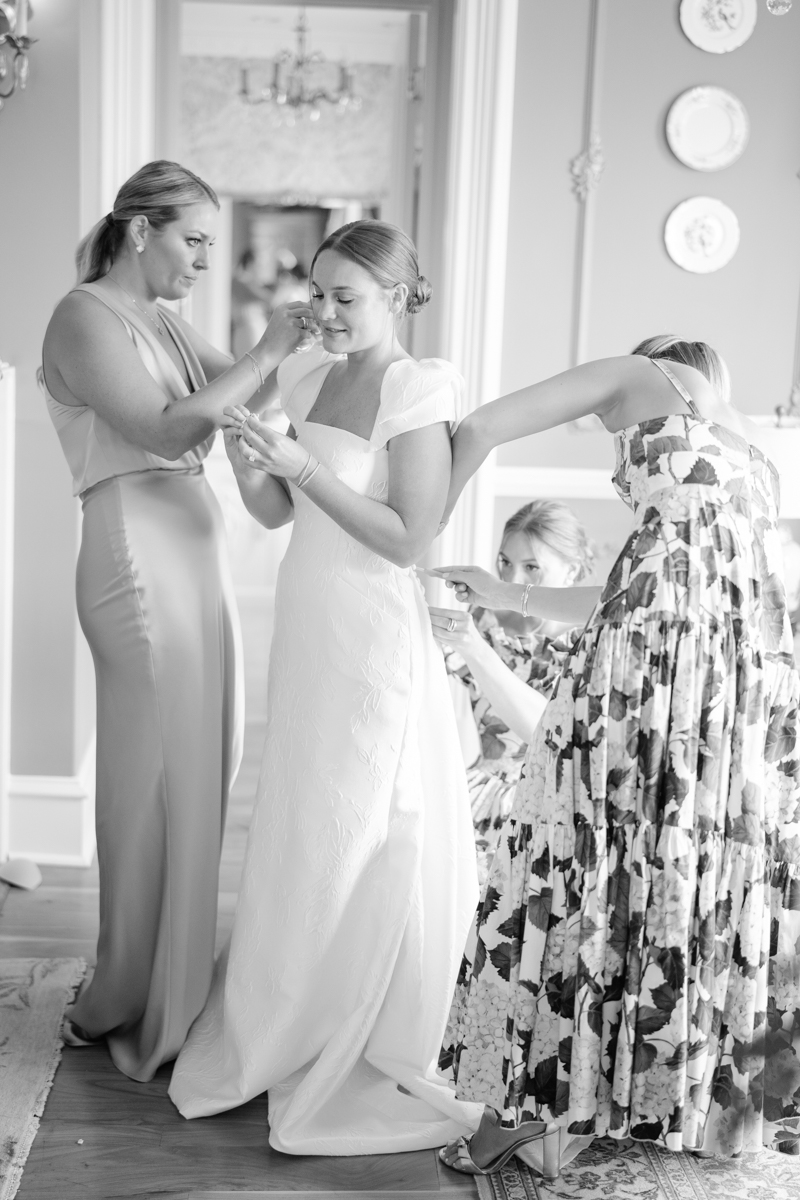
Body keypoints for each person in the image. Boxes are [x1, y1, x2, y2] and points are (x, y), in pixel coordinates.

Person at [433, 335, 800, 1177]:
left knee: (578, 864)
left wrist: (415, 522)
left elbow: (482, 425)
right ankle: (670, 1100)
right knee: (677, 878)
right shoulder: (749, 448)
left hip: (666, 681)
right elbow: (654, 576)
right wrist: (508, 595)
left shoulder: (644, 376)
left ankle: (531, 1105)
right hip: (727, 686)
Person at [168, 220, 484, 1155]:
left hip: (371, 630)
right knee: (301, 819)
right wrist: (246, 449)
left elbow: (405, 535)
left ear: (399, 298)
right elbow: (277, 513)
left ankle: (347, 1024)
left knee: (357, 820)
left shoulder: (415, 387)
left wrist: (302, 463)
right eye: (321, 291)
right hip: (306, 623)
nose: (326, 311)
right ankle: (276, 1018)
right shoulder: (303, 376)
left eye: (349, 297)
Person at [42, 160, 315, 1082]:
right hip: (134, 554)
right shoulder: (84, 316)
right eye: (194, 238)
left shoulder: (162, 319)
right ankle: (123, 994)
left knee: (204, 769)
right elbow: (167, 430)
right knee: (151, 781)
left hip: (194, 554)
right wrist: (268, 350)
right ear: (138, 231)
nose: (207, 256)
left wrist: (314, 355)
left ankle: (176, 988)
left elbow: (239, 402)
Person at [429, 501, 594, 885]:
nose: (511, 578)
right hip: (465, 800)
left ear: (571, 570)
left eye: (531, 567)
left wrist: (474, 649)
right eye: (504, 563)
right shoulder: (479, 623)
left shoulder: (590, 648)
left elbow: (548, 733)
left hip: (545, 817)